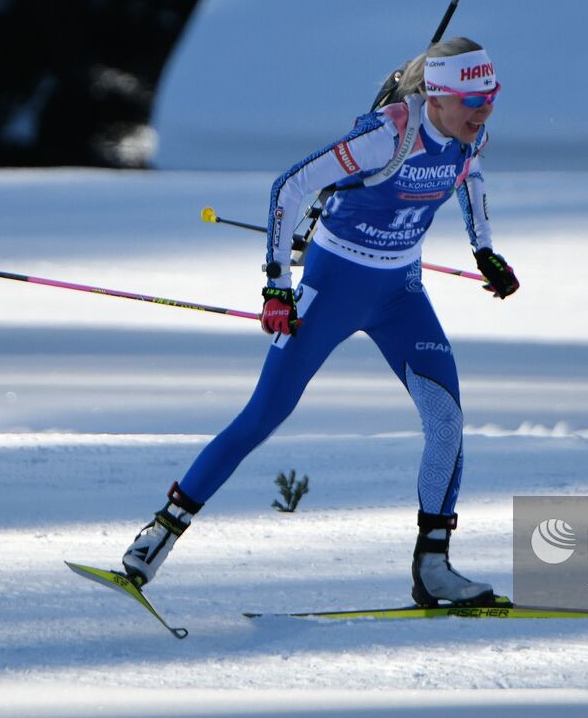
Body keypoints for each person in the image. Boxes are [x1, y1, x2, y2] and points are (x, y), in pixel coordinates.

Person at [120, 37, 519, 606]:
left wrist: (485, 250)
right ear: (435, 96)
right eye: (470, 101)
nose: (482, 112)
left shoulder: (468, 134)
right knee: (265, 414)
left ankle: (433, 567)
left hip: (401, 294)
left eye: (490, 99)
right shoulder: (388, 135)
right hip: (332, 287)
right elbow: (291, 185)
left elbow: (471, 177)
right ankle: (157, 537)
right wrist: (277, 286)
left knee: (446, 420)